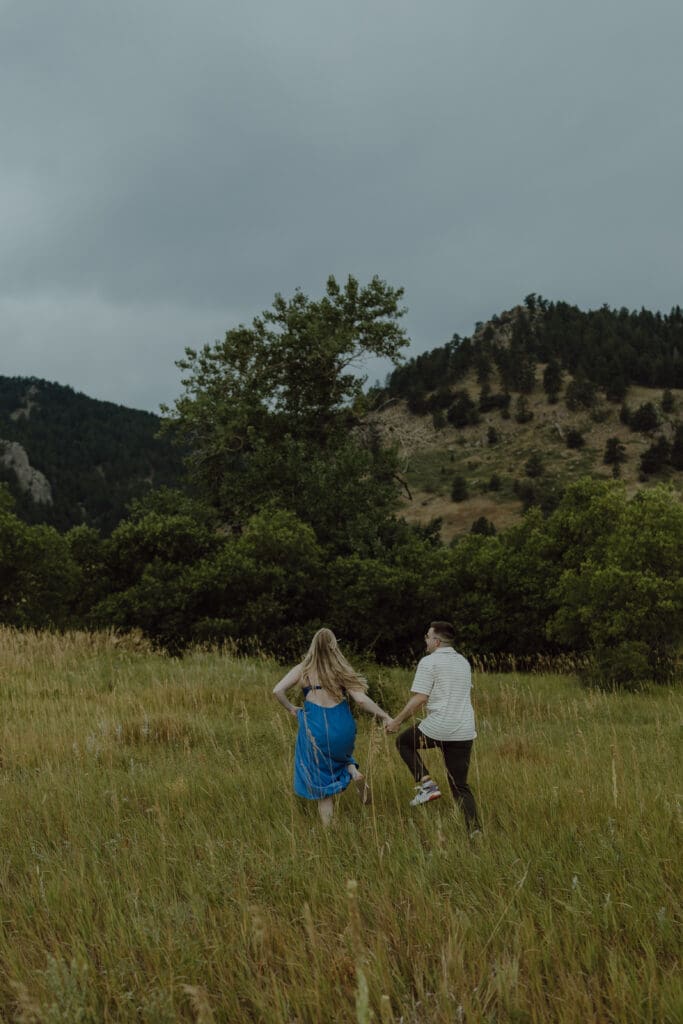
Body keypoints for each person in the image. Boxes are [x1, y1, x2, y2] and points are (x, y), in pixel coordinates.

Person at [273, 628, 392, 825]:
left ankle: (329, 831)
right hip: (342, 725)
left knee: (322, 779)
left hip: (316, 726)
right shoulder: (340, 669)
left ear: (313, 645)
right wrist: (385, 716)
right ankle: (353, 771)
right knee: (339, 754)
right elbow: (361, 700)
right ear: (333, 645)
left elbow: (277, 690)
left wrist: (292, 708)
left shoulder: (303, 669)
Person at [385, 621, 481, 834]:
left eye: (427, 637)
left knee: (403, 742)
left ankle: (427, 786)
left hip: (439, 727)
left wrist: (397, 721)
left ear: (436, 642)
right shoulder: (463, 662)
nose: (426, 641)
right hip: (464, 729)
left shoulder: (429, 662)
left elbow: (420, 698)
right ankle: (475, 832)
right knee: (459, 785)